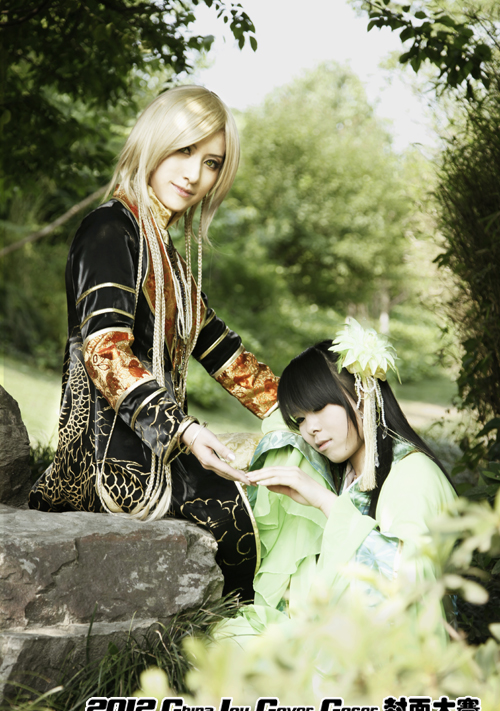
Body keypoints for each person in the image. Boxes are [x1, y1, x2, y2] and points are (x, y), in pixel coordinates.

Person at [29, 85, 279, 600]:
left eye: (212, 163)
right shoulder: (109, 230)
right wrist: (184, 430)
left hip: (161, 451)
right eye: (184, 150)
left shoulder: (170, 259)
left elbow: (225, 354)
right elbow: (106, 353)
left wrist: (305, 412)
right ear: (153, 142)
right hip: (107, 462)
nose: (195, 174)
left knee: (278, 470)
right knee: (248, 518)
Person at [217, 320, 456, 637]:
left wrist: (323, 500)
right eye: (300, 419)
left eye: (318, 408)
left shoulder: (413, 474)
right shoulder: (348, 472)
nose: (310, 429)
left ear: (362, 393)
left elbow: (407, 581)